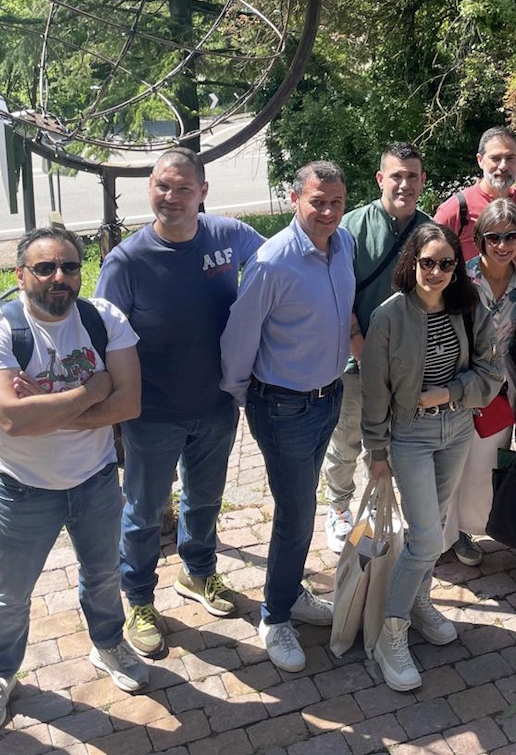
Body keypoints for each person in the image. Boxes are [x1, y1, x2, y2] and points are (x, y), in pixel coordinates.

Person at [0, 227, 148, 736]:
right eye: (44, 268)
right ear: (21, 275)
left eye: (69, 266)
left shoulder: (104, 320)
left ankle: (108, 643)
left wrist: (45, 408)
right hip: (23, 489)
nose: (58, 277)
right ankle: (0, 673)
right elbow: (12, 420)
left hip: (96, 480)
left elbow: (129, 403)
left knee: (103, 575)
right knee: (12, 590)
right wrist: (92, 390)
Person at [95, 147, 264, 658]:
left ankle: (198, 573)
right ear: (150, 187)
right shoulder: (126, 262)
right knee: (144, 511)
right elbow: (104, 341)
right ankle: (139, 599)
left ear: (203, 192)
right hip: (152, 414)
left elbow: (280, 265)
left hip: (216, 404)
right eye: (163, 186)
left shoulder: (228, 236)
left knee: (205, 500)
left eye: (184, 188)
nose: (171, 197)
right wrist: (110, 414)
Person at [220, 161, 353, 673]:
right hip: (283, 406)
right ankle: (275, 617)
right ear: (295, 199)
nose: (327, 212)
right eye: (317, 201)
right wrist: (244, 396)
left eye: (336, 202)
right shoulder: (271, 261)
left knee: (302, 505)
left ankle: (290, 592)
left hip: (328, 398)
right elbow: (239, 337)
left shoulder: (344, 246)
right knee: (297, 513)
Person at [361, 223, 501, 692]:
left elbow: (491, 370)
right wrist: (376, 451)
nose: (436, 271)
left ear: (456, 267)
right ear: (412, 263)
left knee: (436, 527)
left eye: (446, 263)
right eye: (427, 262)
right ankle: (391, 633)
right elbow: (375, 389)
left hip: (456, 428)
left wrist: (451, 392)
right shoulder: (389, 316)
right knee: (424, 538)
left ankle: (420, 602)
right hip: (411, 435)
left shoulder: (468, 306)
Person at [323, 142, 433, 554]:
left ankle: (377, 506)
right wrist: (360, 347)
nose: (404, 184)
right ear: (380, 179)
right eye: (396, 176)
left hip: (405, 365)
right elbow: (338, 293)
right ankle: (338, 509)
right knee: (347, 440)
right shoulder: (350, 228)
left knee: (387, 443)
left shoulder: (429, 230)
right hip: (355, 362)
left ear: (422, 180)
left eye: (412, 176)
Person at [444, 200, 516, 567]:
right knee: (451, 459)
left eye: (511, 236)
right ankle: (439, 534)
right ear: (480, 238)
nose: (502, 244)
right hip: (461, 378)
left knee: (485, 462)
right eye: (493, 237)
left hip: (503, 384)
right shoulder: (460, 278)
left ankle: (465, 530)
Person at [434, 126, 516, 264]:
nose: (503, 166)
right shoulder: (456, 209)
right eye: (495, 158)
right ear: (480, 160)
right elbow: (430, 257)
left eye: (510, 158)